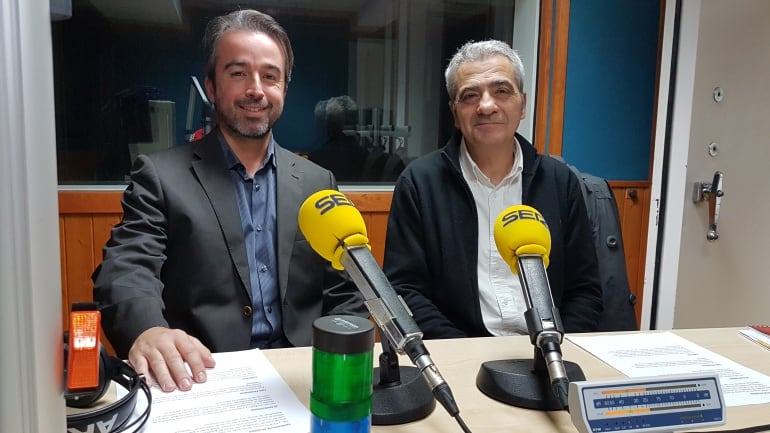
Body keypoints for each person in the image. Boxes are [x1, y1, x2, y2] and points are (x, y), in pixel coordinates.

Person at [92, 9, 366, 392]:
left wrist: (343, 359)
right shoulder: (161, 176)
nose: (256, 88)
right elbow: (127, 268)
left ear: (284, 88)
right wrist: (148, 329)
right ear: (212, 86)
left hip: (305, 373)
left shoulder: (318, 182)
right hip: (204, 376)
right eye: (238, 73)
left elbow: (344, 292)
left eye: (270, 76)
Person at [383, 40, 602, 340]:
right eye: (470, 96)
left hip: (552, 350)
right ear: (455, 113)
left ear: (522, 105)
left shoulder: (559, 182)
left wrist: (556, 348)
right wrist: (465, 354)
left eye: (501, 91)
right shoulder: (419, 184)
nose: (486, 106)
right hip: (458, 355)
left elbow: (585, 291)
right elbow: (405, 290)